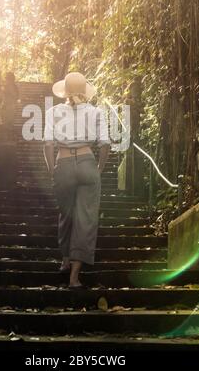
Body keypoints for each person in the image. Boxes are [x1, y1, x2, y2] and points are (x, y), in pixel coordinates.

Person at [43, 72, 110, 289]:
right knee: (86, 218)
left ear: (65, 91)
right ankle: (74, 277)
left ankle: (64, 259)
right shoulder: (96, 112)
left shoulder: (54, 112)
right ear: (85, 91)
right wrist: (98, 168)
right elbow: (105, 144)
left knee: (66, 213)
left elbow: (48, 144)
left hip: (63, 163)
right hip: (87, 162)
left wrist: (52, 168)